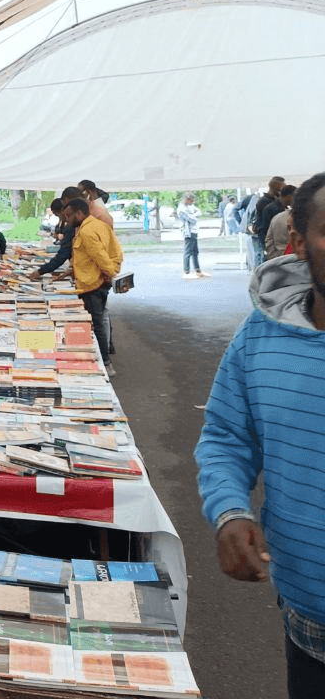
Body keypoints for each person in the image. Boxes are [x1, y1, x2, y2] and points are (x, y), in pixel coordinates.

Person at [194, 170, 325, 699]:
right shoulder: (262, 335)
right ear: (298, 239)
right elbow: (227, 434)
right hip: (308, 616)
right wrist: (230, 512)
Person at [67, 198, 123, 376]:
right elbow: (116, 252)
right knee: (98, 322)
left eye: (69, 216)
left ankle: (105, 363)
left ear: (79, 213)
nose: (67, 220)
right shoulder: (99, 226)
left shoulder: (88, 231)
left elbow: (100, 256)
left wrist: (110, 273)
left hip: (92, 285)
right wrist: (112, 272)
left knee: (96, 324)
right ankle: (104, 361)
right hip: (97, 281)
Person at [29, 199, 74, 281]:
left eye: (58, 214)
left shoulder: (72, 227)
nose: (65, 218)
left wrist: (41, 271)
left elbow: (63, 254)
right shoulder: (66, 223)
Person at [249, 176, 287, 267]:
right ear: (274, 187)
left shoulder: (276, 201)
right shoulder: (264, 202)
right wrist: (267, 247)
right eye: (282, 188)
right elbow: (263, 226)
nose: (283, 190)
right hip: (269, 240)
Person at [177, 193, 207, 278]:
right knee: (188, 251)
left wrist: (193, 215)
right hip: (187, 232)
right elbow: (192, 220)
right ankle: (186, 271)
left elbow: (199, 212)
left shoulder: (190, 206)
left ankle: (197, 269)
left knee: (195, 251)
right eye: (191, 200)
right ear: (187, 200)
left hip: (194, 231)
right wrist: (193, 215)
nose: (192, 202)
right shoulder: (181, 209)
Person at [264, 184, 296, 260]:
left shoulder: (277, 217)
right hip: (298, 260)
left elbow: (268, 239)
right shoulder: (308, 219)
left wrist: (273, 257)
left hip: (278, 258)